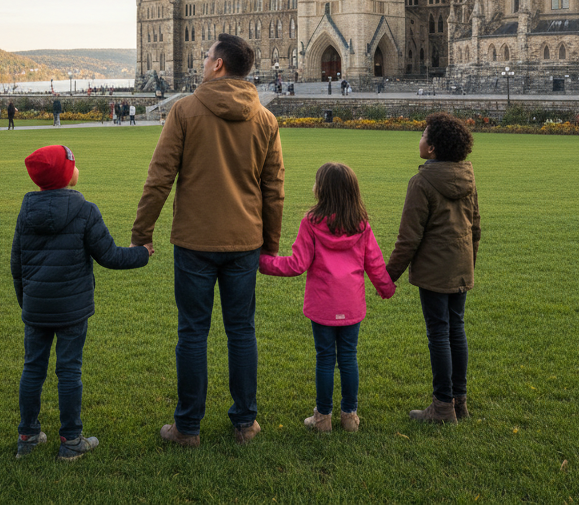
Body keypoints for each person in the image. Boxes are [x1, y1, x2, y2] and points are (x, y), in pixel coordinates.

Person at [131, 33, 285, 447]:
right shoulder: (265, 119)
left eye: (205, 56)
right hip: (245, 240)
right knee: (242, 332)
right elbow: (274, 189)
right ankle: (245, 424)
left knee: (193, 334)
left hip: (195, 242)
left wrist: (141, 234)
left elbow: (159, 178)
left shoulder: (185, 110)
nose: (202, 61)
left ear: (218, 65)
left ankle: (187, 427)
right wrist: (270, 245)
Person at [11, 144, 151, 461]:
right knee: (69, 371)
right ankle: (71, 440)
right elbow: (111, 256)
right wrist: (142, 253)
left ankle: (28, 436)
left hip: (36, 307)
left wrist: (27, 303)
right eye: (73, 165)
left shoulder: (26, 211)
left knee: (32, 370)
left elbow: (16, 265)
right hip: (72, 310)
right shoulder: (86, 210)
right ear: (66, 174)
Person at [259, 162, 394, 433]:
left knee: (324, 359)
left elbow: (297, 264)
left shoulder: (311, 223)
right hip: (351, 304)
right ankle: (349, 417)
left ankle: (322, 418)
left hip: (323, 305)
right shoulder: (361, 224)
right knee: (348, 358)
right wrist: (386, 288)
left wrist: (263, 263)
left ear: (322, 190)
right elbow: (375, 263)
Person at [386, 113, 481, 426]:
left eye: (424, 135)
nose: (420, 140)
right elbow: (475, 227)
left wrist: (388, 276)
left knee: (439, 334)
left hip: (434, 270)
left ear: (433, 148)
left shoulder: (422, 182)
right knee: (457, 329)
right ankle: (459, 400)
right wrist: (469, 261)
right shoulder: (468, 177)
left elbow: (408, 238)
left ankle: (442, 407)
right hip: (461, 264)